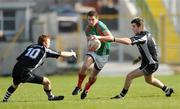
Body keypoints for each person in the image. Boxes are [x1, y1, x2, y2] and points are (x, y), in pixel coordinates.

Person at [110, 17, 174, 99]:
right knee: (149, 80)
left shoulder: (142, 36)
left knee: (129, 76)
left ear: (140, 26)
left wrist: (113, 39)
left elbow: (128, 42)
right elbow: (151, 49)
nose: (132, 28)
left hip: (150, 64)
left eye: (134, 26)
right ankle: (167, 90)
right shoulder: (147, 34)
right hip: (151, 63)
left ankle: (121, 96)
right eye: (132, 26)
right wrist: (140, 57)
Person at [2, 34, 76, 102]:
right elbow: (61, 54)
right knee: (47, 82)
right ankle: (51, 97)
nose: (49, 44)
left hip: (16, 68)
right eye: (48, 42)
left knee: (15, 85)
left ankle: (5, 99)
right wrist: (72, 53)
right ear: (44, 43)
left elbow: (20, 58)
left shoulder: (31, 46)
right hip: (24, 72)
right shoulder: (45, 50)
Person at [72, 10, 113, 99]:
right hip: (93, 52)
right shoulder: (87, 29)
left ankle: (86, 89)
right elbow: (89, 42)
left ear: (97, 19)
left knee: (93, 77)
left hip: (103, 54)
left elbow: (111, 38)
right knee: (85, 66)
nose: (91, 22)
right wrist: (90, 47)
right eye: (89, 20)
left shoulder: (101, 26)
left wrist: (98, 37)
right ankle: (78, 86)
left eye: (93, 19)